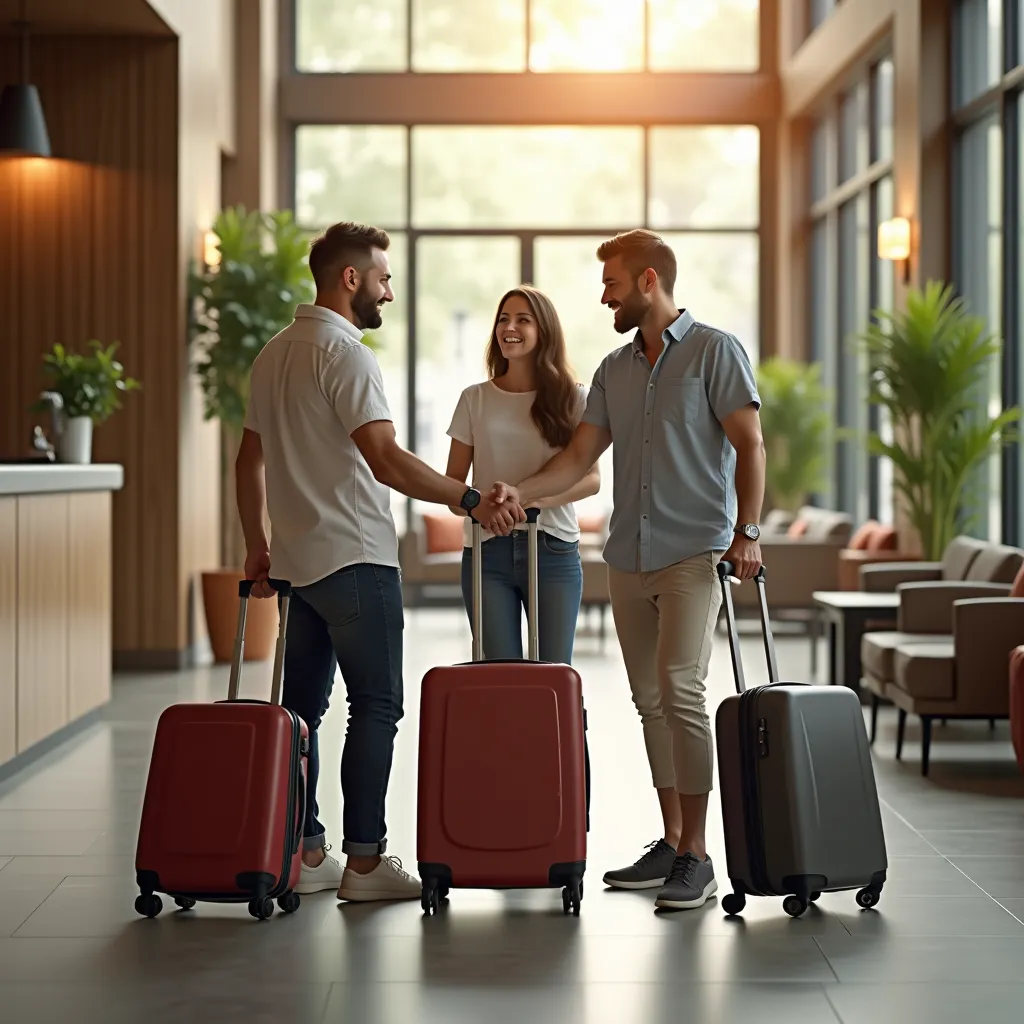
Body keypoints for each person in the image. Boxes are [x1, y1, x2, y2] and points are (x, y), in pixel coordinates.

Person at [484, 229, 765, 913]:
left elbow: (750, 442)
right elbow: (578, 458)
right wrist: (521, 491)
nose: (602, 294)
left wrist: (748, 532)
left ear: (647, 282)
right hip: (628, 560)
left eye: (611, 282)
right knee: (648, 701)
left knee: (681, 690)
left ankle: (699, 855)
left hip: (695, 552)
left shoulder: (714, 350)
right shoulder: (614, 369)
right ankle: (671, 839)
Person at [235, 220, 513, 902]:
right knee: (376, 705)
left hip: (299, 566)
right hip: (357, 559)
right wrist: (470, 497)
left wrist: (258, 544)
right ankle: (364, 864)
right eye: (383, 279)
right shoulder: (347, 356)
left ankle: (306, 851)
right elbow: (386, 460)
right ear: (350, 278)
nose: (389, 293)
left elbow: (248, 462)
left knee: (301, 711)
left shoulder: (274, 354)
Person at [444, 286, 600, 664]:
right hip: (486, 551)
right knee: (500, 677)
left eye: (522, 320)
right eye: (503, 319)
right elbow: (452, 488)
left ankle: (564, 727)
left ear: (544, 330)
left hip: (553, 548)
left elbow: (592, 479)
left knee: (554, 672)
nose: (508, 327)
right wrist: (479, 506)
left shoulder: (575, 398)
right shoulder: (474, 399)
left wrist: (528, 499)